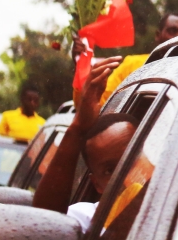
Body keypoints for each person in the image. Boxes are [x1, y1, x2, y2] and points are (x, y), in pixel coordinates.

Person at [34, 57, 137, 235]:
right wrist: (78, 127)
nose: (123, 176)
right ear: (97, 184)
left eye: (132, 160)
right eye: (109, 170)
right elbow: (44, 225)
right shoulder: (88, 220)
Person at [73, 13, 178, 105]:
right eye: (172, 31)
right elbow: (100, 104)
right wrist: (81, 64)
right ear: (158, 35)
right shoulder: (132, 65)